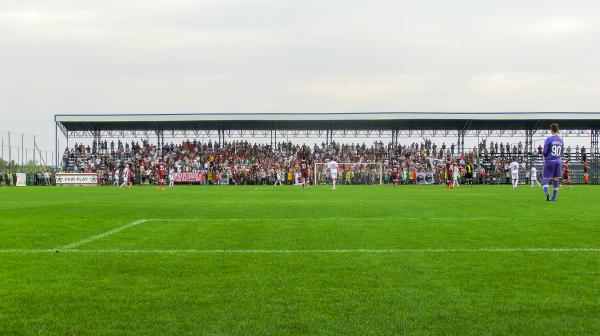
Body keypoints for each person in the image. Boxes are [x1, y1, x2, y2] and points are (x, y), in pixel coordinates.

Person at [542, 123, 564, 201]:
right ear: (558, 130)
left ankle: (547, 194)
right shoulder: (561, 140)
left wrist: (544, 156)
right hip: (558, 161)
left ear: (551, 130)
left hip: (549, 160)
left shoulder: (549, 139)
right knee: (556, 179)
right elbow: (562, 152)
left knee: (545, 178)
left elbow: (544, 151)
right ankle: (554, 197)